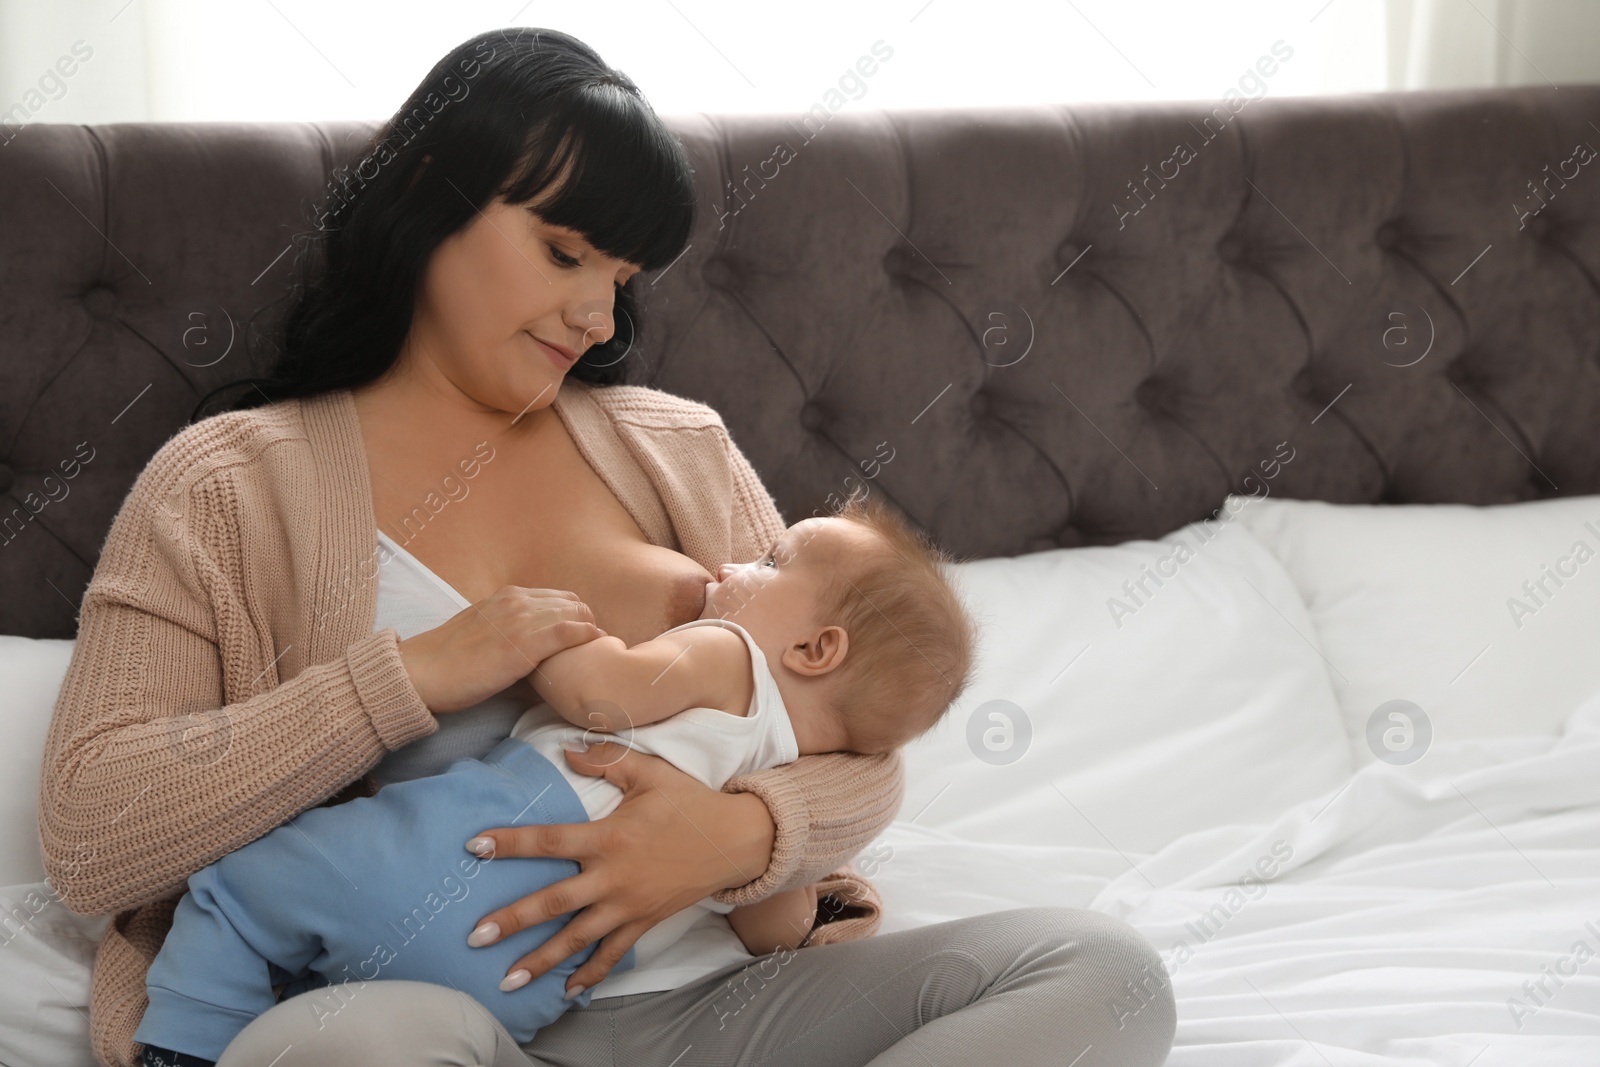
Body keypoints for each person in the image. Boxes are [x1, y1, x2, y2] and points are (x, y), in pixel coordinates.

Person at [37, 26, 1176, 1067]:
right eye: (565, 252)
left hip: (714, 1010)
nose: (596, 316)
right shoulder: (229, 484)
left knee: (1104, 972)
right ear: (429, 198)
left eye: (621, 279)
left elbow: (853, 723)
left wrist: (737, 835)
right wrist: (410, 676)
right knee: (351, 1044)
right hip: (441, 1013)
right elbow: (92, 833)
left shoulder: (675, 447)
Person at [133, 500, 980, 1065]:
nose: (734, 561)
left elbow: (601, 692)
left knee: (238, 897)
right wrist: (765, 866)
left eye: (770, 557)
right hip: (530, 980)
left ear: (815, 650)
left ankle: (185, 1043)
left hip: (453, 852)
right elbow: (776, 924)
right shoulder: (782, 768)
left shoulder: (730, 654)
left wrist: (531, 619)